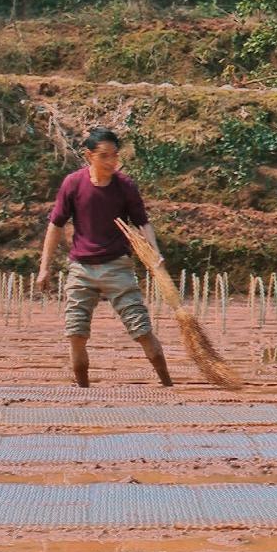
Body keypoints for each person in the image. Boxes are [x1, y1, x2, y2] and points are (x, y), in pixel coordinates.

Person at [35, 128, 173, 388]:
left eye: (115, 156)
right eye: (105, 156)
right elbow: (55, 226)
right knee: (75, 333)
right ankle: (82, 389)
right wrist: (44, 268)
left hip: (118, 267)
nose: (112, 162)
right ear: (89, 156)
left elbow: (143, 223)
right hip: (81, 268)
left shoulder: (125, 186)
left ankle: (167, 383)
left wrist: (155, 253)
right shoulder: (73, 184)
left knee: (142, 330)